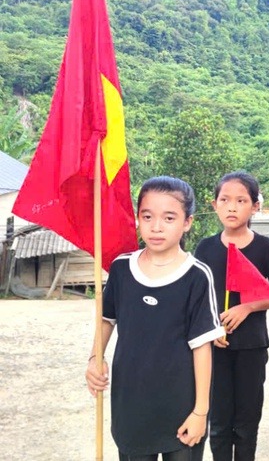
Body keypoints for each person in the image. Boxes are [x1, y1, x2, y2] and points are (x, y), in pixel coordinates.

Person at [85, 176, 224, 461]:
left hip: (182, 407)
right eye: (147, 216)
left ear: (187, 222)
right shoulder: (122, 268)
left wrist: (201, 411)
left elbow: (202, 346)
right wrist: (94, 358)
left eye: (169, 218)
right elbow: (107, 319)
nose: (156, 227)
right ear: (138, 218)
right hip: (131, 404)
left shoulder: (197, 275)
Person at [194, 172, 269, 461]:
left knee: (247, 421)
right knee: (219, 422)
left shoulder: (265, 248)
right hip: (214, 348)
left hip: (251, 347)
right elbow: (197, 298)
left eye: (241, 201)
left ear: (255, 206)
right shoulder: (205, 248)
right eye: (225, 200)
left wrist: (246, 308)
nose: (232, 207)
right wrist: (211, 329)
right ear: (214, 205)